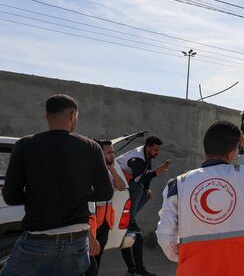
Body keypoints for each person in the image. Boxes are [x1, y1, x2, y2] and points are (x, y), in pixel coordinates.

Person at [1, 94, 113, 276]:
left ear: (46, 116)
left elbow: (10, 196)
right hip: (76, 243)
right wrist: (79, 195)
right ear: (72, 115)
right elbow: (105, 193)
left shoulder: (25, 145)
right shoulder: (90, 147)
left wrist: (37, 196)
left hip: (37, 240)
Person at [156, 120, 244, 276]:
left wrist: (188, 258)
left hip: (195, 270)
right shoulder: (243, 176)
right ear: (231, 153)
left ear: (206, 149)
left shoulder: (178, 184)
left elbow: (164, 234)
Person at [116, 136, 171, 276]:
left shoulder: (147, 157)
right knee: (138, 187)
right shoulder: (137, 158)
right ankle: (130, 218)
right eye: (155, 149)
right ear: (148, 147)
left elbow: (146, 173)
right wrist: (157, 172)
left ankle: (130, 218)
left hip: (125, 189)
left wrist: (148, 187)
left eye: (158, 150)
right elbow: (137, 178)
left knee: (145, 192)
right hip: (116, 188)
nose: (157, 152)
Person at [86, 139, 128, 276]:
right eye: (108, 152)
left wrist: (112, 169)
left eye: (113, 152)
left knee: (97, 258)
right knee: (88, 260)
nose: (112, 155)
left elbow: (121, 186)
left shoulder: (108, 171)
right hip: (91, 222)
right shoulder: (88, 171)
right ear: (99, 153)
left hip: (104, 222)